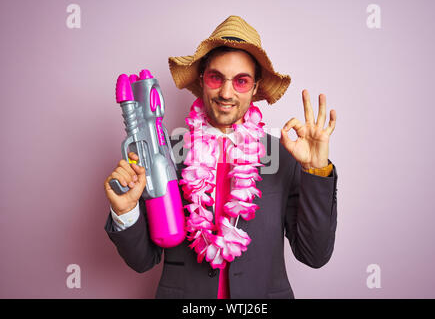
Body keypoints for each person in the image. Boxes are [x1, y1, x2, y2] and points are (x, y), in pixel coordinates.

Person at [103, 15, 338, 299]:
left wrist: (315, 171)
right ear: (202, 79)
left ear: (255, 87)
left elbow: (314, 255)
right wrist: (126, 212)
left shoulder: (284, 155)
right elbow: (142, 261)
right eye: (217, 77)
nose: (226, 93)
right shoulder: (165, 154)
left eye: (241, 81)